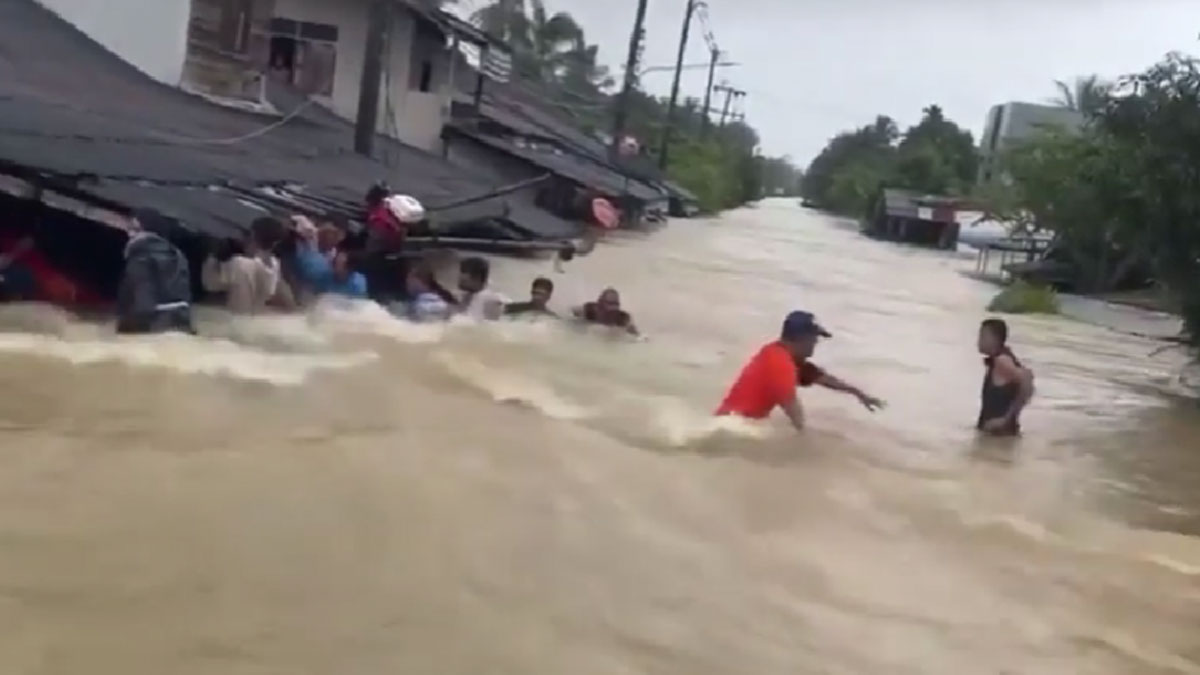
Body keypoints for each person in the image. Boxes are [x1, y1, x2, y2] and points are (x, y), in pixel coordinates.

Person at [715, 311, 884, 431]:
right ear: (803, 338)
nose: (816, 343)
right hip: (733, 428)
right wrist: (804, 444)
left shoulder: (777, 354)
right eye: (815, 338)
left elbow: (821, 377)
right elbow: (795, 415)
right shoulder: (781, 364)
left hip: (735, 424)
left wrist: (858, 393)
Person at [116, 214, 195, 335]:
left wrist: (122, 332)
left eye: (136, 229)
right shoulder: (178, 255)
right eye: (129, 229)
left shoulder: (140, 257)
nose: (130, 234)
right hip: (182, 325)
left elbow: (143, 304)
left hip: (153, 329)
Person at [202, 217, 284, 314]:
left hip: (235, 318)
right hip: (254, 319)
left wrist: (214, 256)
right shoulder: (274, 265)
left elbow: (210, 284)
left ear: (253, 235)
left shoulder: (240, 263)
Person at [976, 318, 1035, 436]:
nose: (978, 341)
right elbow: (1028, 375)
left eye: (983, 336)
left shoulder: (1002, 361)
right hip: (997, 436)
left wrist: (1006, 419)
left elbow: (1027, 383)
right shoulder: (1001, 359)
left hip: (999, 437)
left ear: (995, 339)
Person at [573, 287, 638, 336]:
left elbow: (637, 335)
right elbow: (567, 316)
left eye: (614, 311)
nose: (611, 316)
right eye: (608, 313)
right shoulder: (588, 311)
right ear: (599, 306)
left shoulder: (623, 318)